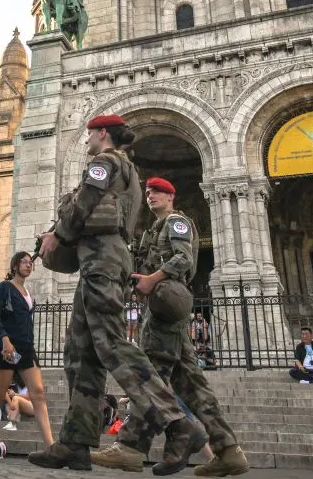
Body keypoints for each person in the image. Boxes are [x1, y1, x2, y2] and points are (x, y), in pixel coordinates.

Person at [30, 117, 205, 474]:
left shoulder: (106, 162)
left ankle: (177, 422)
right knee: (81, 352)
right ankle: (75, 443)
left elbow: (86, 202)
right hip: (96, 260)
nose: (87, 141)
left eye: (91, 135)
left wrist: (57, 235)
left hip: (102, 258)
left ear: (103, 134)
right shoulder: (126, 169)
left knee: (109, 342)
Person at [93, 176, 247, 476]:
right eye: (149, 192)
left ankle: (130, 447)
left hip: (166, 308)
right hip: (162, 308)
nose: (151, 196)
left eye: (158, 193)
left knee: (149, 376)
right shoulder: (154, 227)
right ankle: (229, 450)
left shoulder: (177, 223)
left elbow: (184, 259)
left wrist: (153, 279)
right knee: (193, 385)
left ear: (171, 196)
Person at [0, 251, 54, 464]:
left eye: (30, 262)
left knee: (39, 393)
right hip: (7, 348)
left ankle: (52, 448)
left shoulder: (27, 292)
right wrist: (4, 338)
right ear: (15, 265)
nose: (28, 265)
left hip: (26, 349)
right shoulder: (4, 287)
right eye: (24, 262)